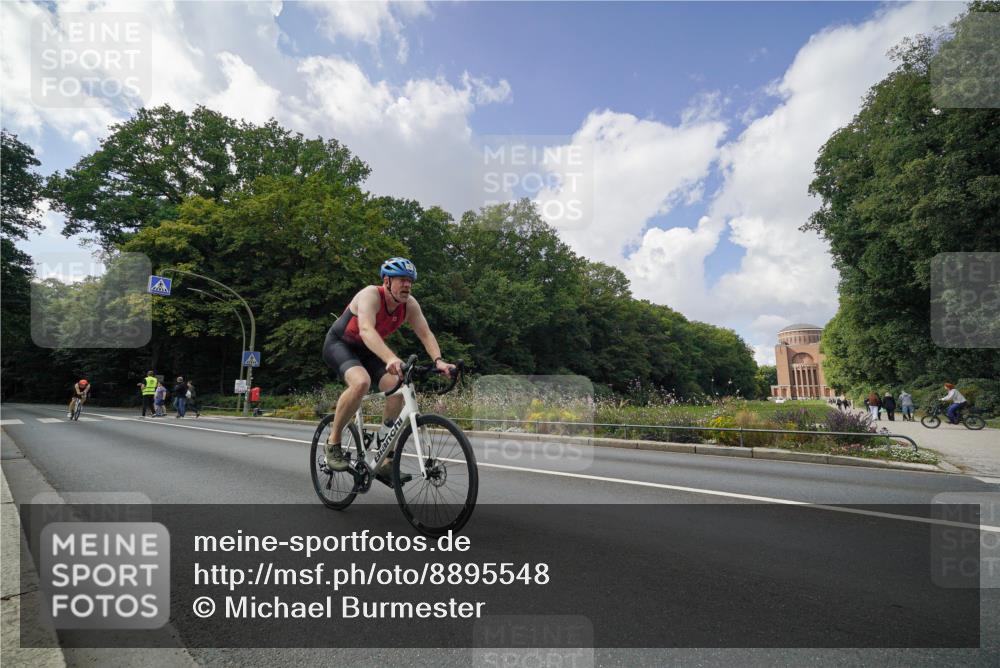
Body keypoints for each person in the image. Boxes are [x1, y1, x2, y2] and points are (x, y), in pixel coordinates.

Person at [321, 257, 455, 483]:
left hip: (369, 350)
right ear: (387, 281)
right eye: (402, 280)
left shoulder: (409, 305)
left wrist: (439, 360)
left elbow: (425, 333)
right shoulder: (370, 295)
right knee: (361, 382)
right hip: (340, 344)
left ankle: (384, 459)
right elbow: (365, 330)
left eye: (410, 281)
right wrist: (391, 357)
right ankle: (333, 443)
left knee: (398, 387)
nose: (407, 285)